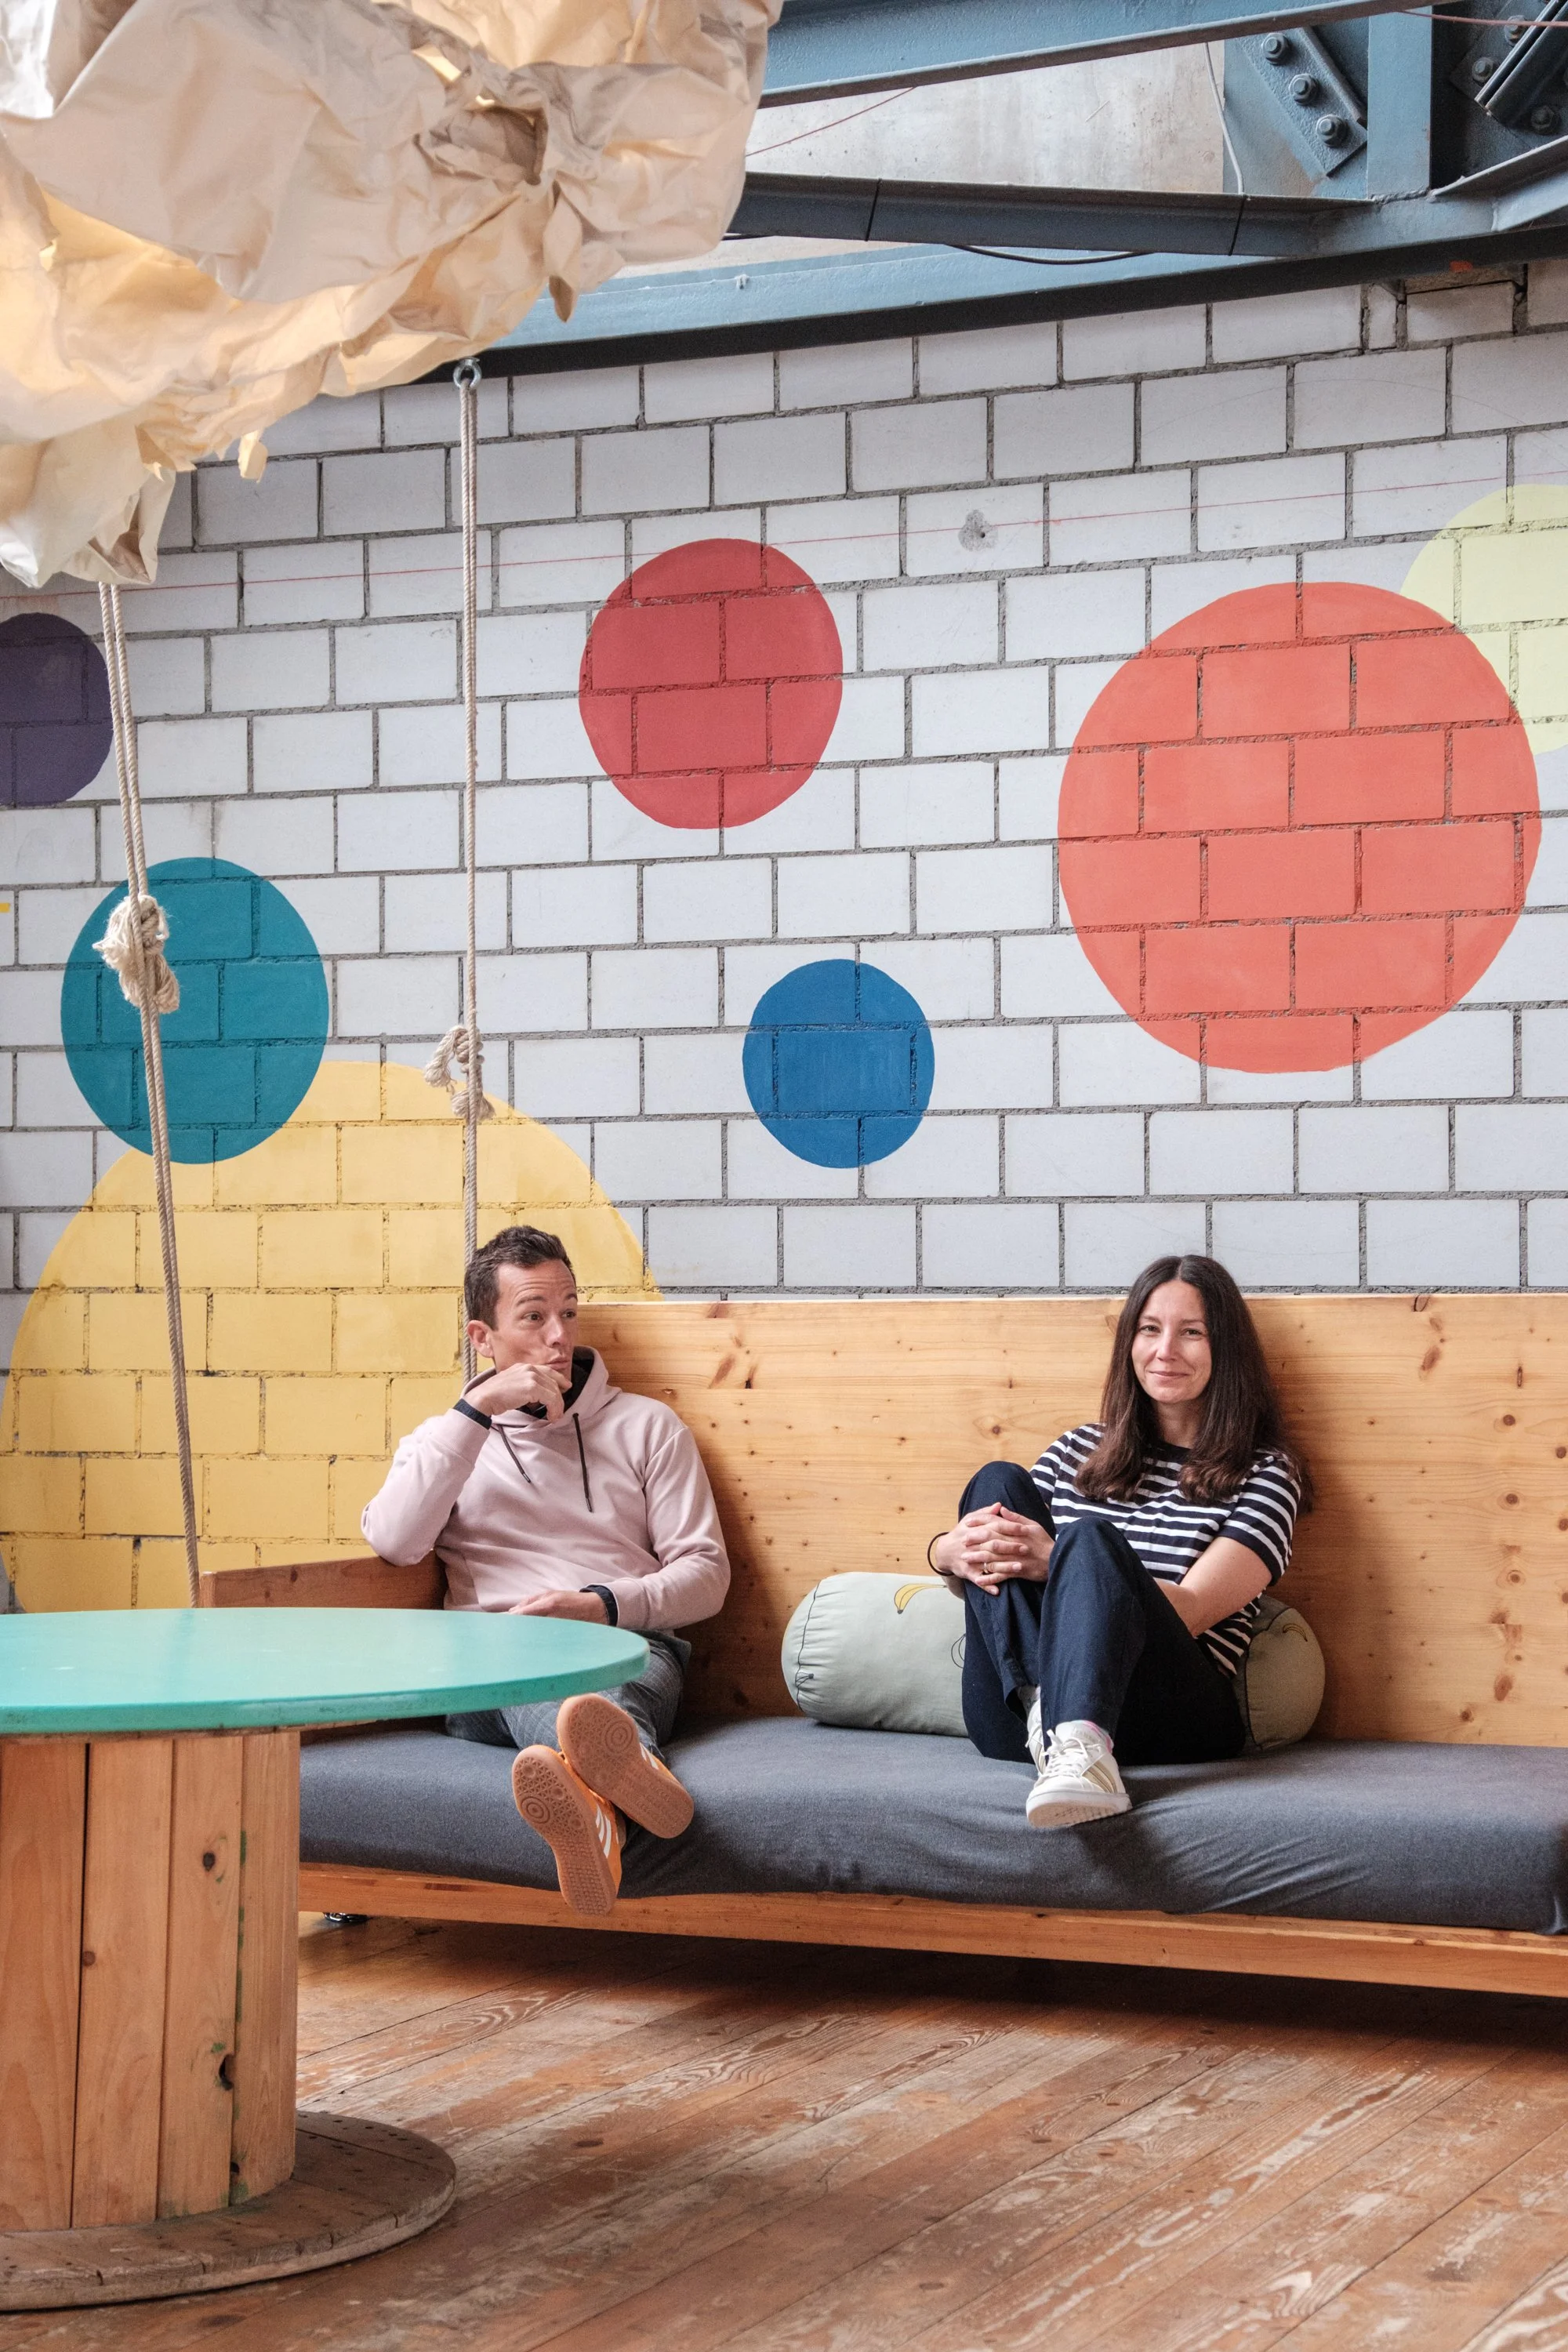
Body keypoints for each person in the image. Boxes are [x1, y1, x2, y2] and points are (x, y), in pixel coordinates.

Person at [362, 1225, 728, 1915]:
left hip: (625, 1649)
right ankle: (636, 1778)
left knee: (593, 1692)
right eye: (533, 1317)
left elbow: (706, 1575)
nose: (558, 1336)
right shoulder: (443, 1443)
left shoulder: (648, 1427)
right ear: (484, 1337)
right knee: (520, 1666)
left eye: (568, 1311)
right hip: (487, 1665)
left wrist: (601, 1605)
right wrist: (478, 1411)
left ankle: (595, 1810)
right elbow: (395, 1542)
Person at [927, 1254, 1308, 1831]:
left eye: (1192, 1333)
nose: (1165, 1350)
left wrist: (1060, 1560)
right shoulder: (1076, 1451)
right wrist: (943, 1554)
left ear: (1225, 1348)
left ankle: (1079, 1739)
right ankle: (1046, 1714)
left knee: (1090, 1539)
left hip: (1167, 1714)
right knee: (996, 1483)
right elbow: (996, 1561)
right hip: (1013, 1718)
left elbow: (1193, 1609)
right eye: (1150, 1329)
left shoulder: (1265, 1474)